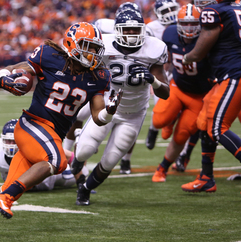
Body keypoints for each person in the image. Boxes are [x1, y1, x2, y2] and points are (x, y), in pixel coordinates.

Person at [0, 22, 121, 233]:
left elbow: (98, 117)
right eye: (87, 46)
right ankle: (5, 198)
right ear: (72, 43)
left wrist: (109, 111)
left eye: (95, 48)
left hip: (51, 136)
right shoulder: (50, 56)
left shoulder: (99, 77)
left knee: (9, 188)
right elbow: (12, 69)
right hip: (32, 125)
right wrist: (4, 78)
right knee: (56, 161)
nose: (92, 53)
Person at [71, 9, 170, 205]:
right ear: (117, 31)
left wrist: (154, 82)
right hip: (106, 105)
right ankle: (76, 158)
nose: (132, 34)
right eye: (127, 30)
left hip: (132, 114)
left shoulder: (154, 48)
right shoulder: (103, 45)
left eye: (136, 30)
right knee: (84, 151)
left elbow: (165, 93)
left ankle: (85, 189)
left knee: (109, 162)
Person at [64, 2, 143, 175]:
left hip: (123, 89)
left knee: (127, 129)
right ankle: (70, 153)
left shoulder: (146, 40)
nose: (130, 32)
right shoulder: (102, 26)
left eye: (134, 28)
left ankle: (124, 160)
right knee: (77, 115)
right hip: (99, 84)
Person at [180, 0, 241, 195]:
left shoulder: (214, 11)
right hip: (235, 72)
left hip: (236, 74)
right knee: (203, 121)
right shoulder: (238, 8)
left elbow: (199, 53)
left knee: (218, 128)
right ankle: (206, 177)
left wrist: (187, 57)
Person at [151, 3, 214, 182]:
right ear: (177, 23)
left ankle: (161, 169)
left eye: (193, 23)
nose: (188, 27)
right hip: (177, 88)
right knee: (158, 121)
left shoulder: (208, 38)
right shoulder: (169, 33)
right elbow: (166, 58)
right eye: (184, 23)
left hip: (199, 96)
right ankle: (170, 119)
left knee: (181, 135)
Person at [0, 119, 88, 192]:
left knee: (80, 171)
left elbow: (69, 156)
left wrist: (81, 182)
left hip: (50, 178)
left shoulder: (35, 146)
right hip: (26, 183)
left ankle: (81, 144)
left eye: (14, 141)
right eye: (8, 141)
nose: (11, 145)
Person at [145, 0, 180, 150]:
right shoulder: (151, 28)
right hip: (160, 70)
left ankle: (169, 125)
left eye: (172, 9)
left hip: (180, 68)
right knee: (160, 106)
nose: (171, 13)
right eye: (166, 11)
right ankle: (153, 130)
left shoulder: (184, 22)